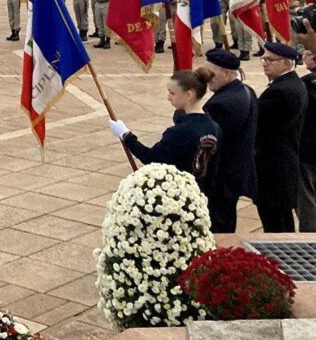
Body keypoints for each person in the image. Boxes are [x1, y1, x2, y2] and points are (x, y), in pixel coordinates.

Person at [109, 69, 221, 192]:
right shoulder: (214, 127)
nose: (168, 97)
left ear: (189, 95)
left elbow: (151, 158)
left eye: (172, 93)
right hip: (204, 193)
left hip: (180, 193)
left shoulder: (178, 132)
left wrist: (126, 135)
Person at [202, 49, 258, 233]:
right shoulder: (246, 91)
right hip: (235, 172)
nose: (207, 78)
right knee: (226, 219)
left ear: (226, 73)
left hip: (220, 176)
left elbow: (206, 138)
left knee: (217, 226)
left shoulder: (220, 104)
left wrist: (184, 109)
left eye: (211, 73)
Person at [255, 41, 308, 232]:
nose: (265, 63)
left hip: (274, 165)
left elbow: (257, 120)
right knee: (282, 217)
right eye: (264, 59)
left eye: (270, 60)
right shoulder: (291, 83)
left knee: (274, 221)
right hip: (282, 162)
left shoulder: (281, 91)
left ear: (286, 63)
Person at [299, 49, 316, 231]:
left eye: (309, 53)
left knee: (308, 199)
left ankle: (310, 237)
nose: (304, 56)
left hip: (308, 149)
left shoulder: (305, 84)